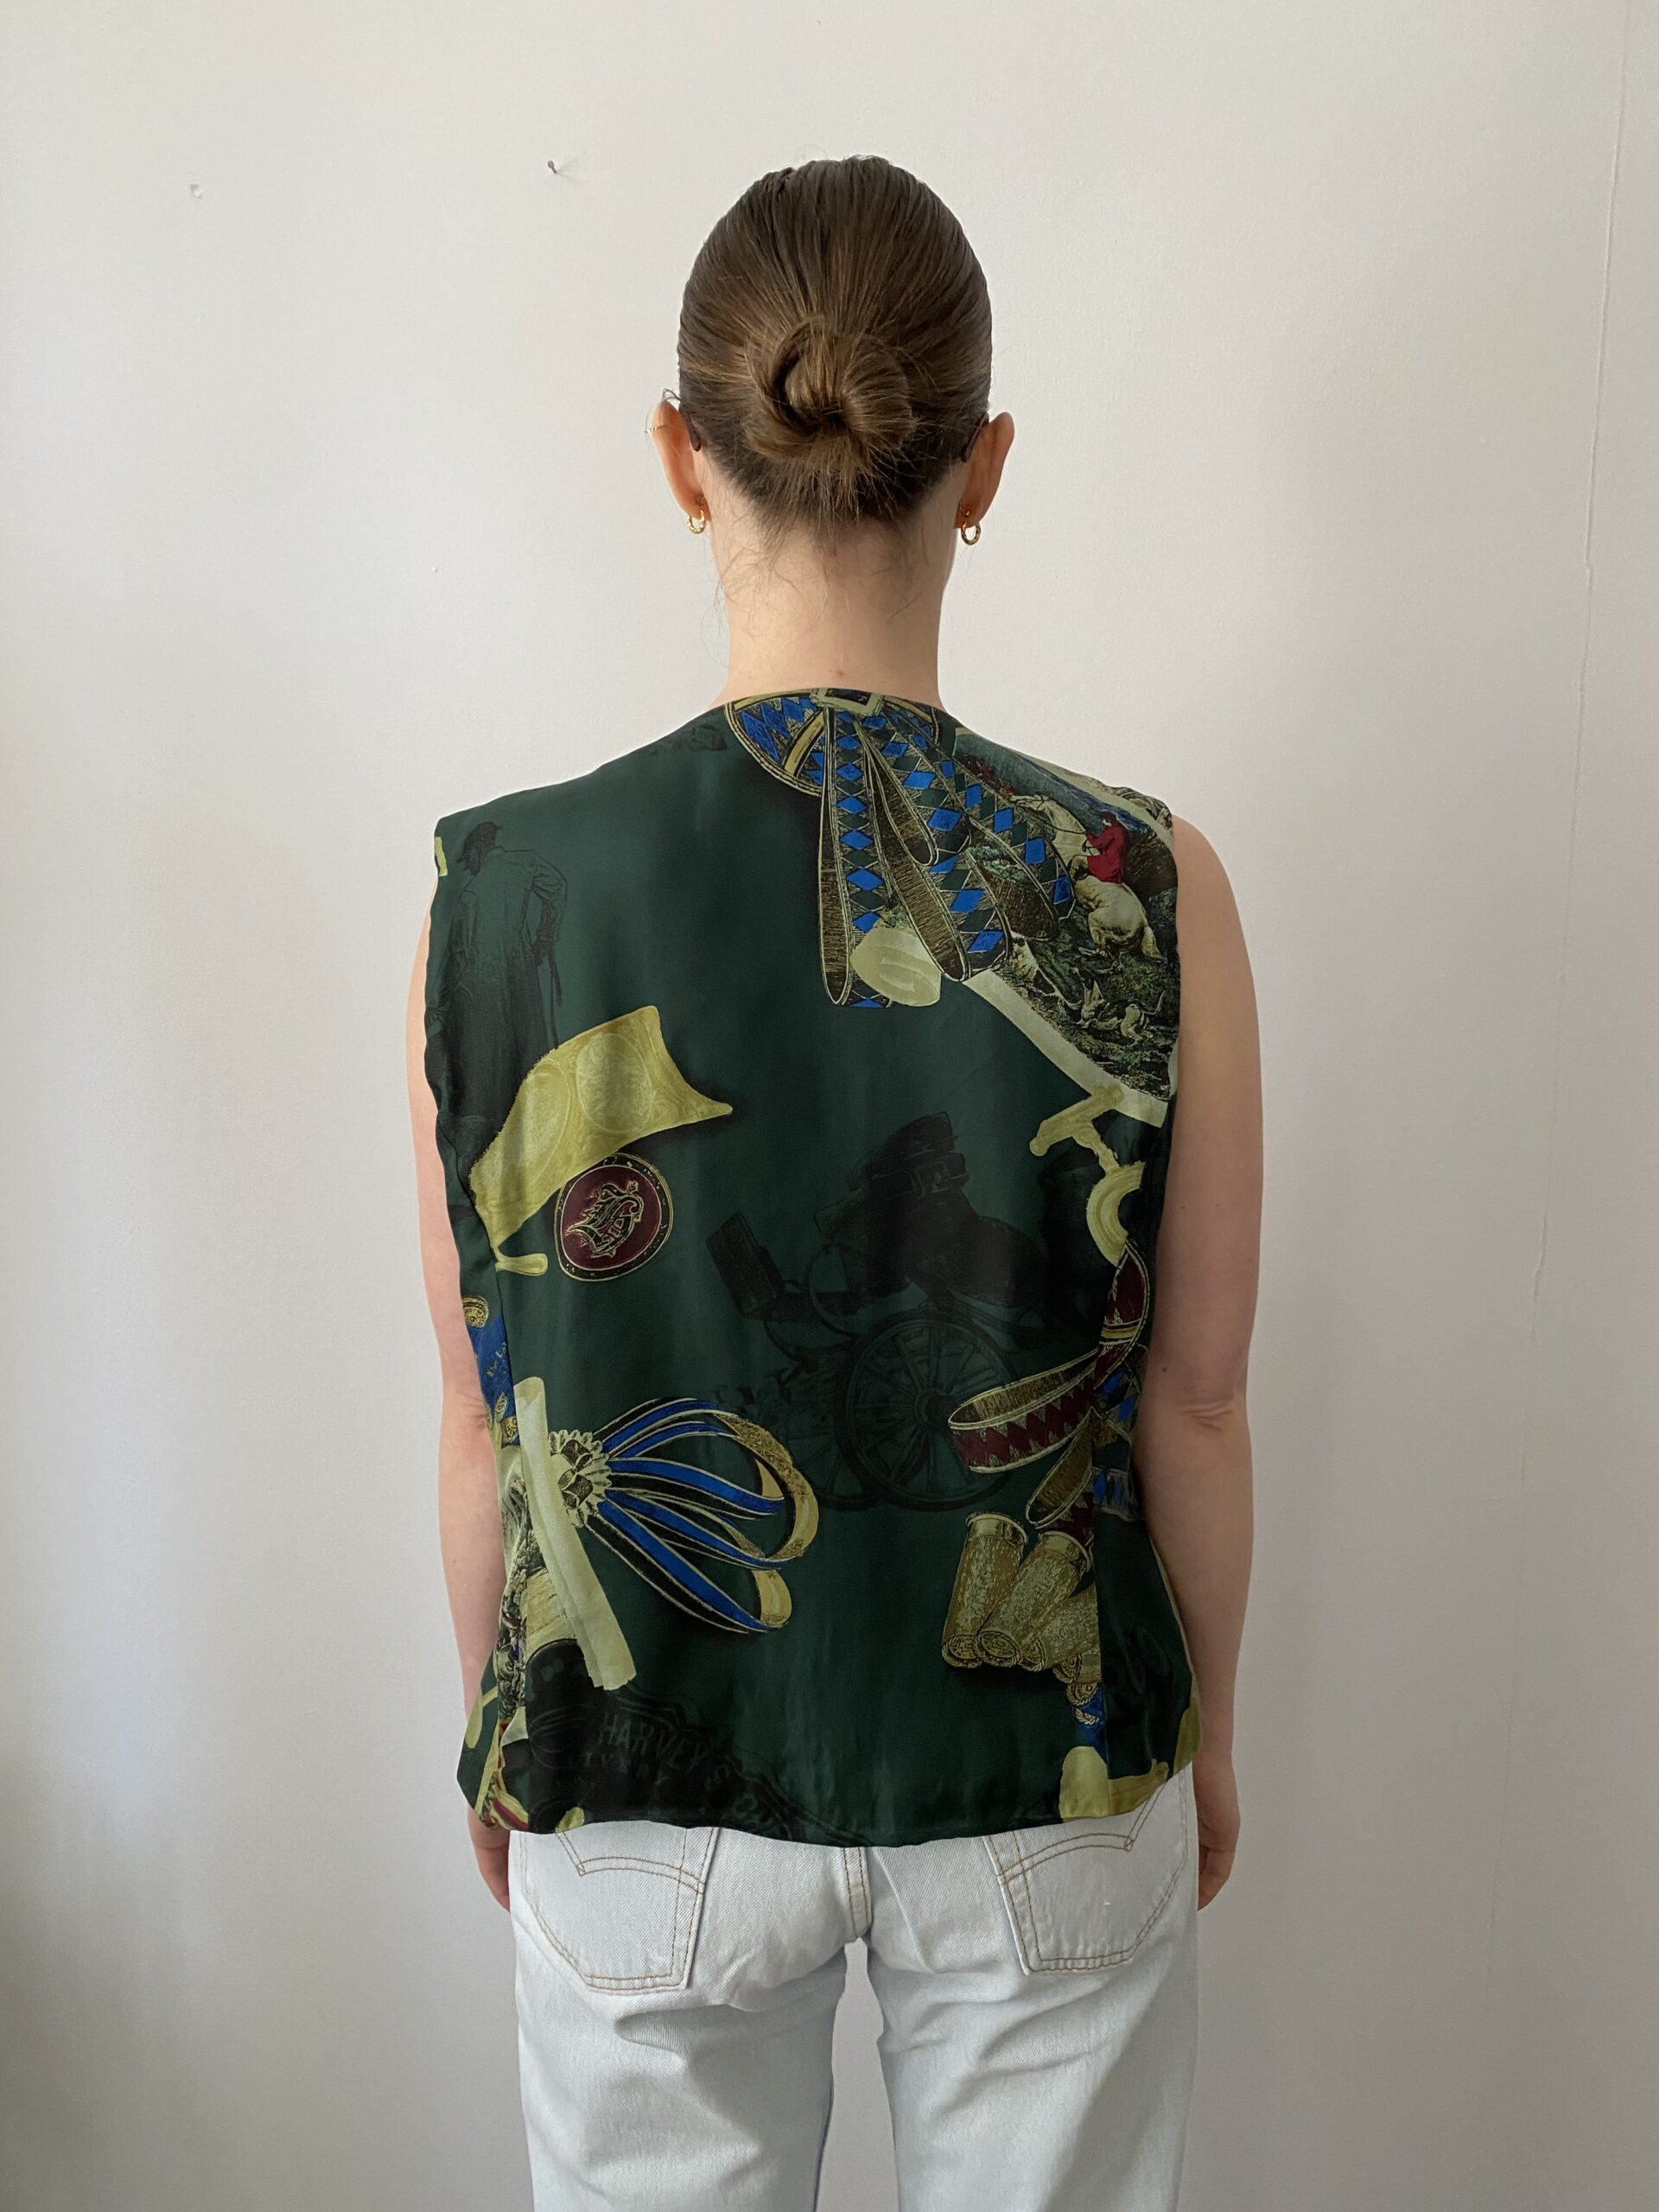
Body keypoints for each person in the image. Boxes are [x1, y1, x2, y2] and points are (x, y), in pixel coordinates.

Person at [405, 152, 1260, 2212]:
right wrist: (1211, 1733)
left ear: (681, 458)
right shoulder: (1144, 884)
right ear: (985, 467)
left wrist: (503, 1721)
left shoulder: (502, 890)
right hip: (1048, 1761)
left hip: (642, 1757)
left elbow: (481, 1404)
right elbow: (1200, 1398)